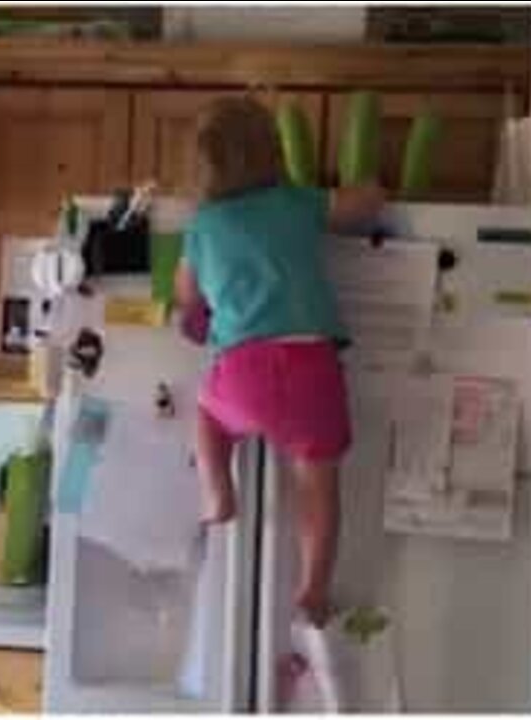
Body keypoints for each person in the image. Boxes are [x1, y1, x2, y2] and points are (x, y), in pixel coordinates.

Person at [174, 96, 383, 628]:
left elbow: (187, 298)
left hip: (240, 370)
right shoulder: (295, 202)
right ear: (273, 153)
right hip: (310, 364)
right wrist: (372, 187)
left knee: (207, 413)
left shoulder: (202, 226)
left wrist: (197, 313)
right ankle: (313, 587)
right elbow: (360, 207)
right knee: (318, 482)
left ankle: (217, 490)